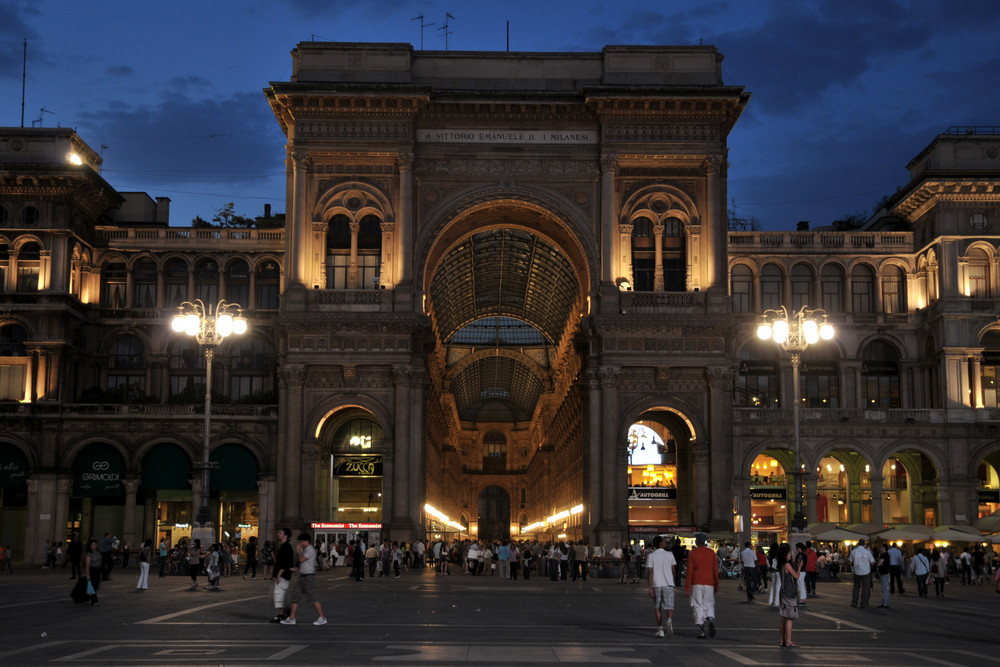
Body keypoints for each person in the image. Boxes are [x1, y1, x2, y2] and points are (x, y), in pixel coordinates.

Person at [281, 533, 327, 625]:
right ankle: (291, 618)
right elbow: (302, 562)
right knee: (295, 597)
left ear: (306, 541)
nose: (300, 544)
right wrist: (297, 568)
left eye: (301, 542)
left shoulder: (310, 550)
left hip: (309, 577)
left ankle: (322, 617)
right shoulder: (306, 549)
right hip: (302, 576)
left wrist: (299, 550)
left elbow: (302, 559)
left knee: (313, 598)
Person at [685, 533, 719, 639]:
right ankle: (710, 618)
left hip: (697, 582)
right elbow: (715, 570)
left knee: (697, 605)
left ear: (698, 541)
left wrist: (687, 586)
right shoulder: (711, 553)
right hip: (709, 582)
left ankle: (701, 631)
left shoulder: (693, 553)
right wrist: (716, 585)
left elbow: (690, 570)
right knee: (709, 603)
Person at [646, 535, 677, 638]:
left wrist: (650, 588)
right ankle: (669, 620)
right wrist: (672, 580)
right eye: (664, 542)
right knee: (670, 606)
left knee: (658, 607)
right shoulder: (670, 555)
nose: (665, 543)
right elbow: (673, 570)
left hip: (657, 584)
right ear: (660, 543)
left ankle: (660, 629)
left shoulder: (651, 556)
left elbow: (650, 573)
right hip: (668, 584)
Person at [778, 543, 801, 647]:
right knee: (789, 617)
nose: (790, 555)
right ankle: (789, 641)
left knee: (783, 617)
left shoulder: (781, 564)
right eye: (788, 554)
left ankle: (782, 640)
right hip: (789, 592)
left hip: (783, 592)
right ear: (785, 555)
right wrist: (800, 567)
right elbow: (796, 576)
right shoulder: (787, 564)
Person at [271, 528, 295, 622]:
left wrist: (278, 575)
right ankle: (285, 612)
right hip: (283, 575)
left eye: (280, 533)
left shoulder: (286, 546)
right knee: (281, 594)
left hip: (283, 575)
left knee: (280, 594)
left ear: (285, 536)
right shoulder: (284, 546)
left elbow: (286, 563)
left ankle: (282, 614)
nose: (278, 534)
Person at [849, 540, 875, 608]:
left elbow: (850, 561)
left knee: (856, 587)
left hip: (857, 571)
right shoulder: (867, 552)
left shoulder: (854, 551)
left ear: (858, 544)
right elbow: (872, 562)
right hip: (866, 571)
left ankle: (854, 602)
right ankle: (863, 603)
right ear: (864, 544)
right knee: (865, 588)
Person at [876, 542, 891, 608]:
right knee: (884, 588)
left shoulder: (884, 555)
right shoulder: (886, 554)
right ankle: (884, 602)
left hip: (884, 573)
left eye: (881, 547)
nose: (880, 548)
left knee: (885, 589)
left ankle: (886, 603)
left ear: (884, 548)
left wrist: (878, 563)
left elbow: (879, 563)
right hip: (885, 572)